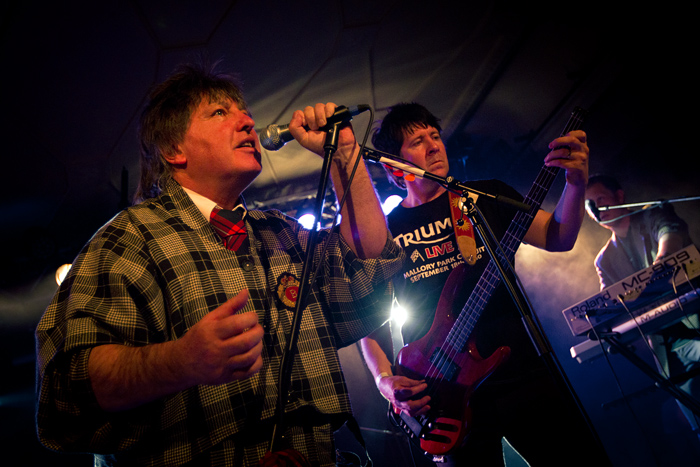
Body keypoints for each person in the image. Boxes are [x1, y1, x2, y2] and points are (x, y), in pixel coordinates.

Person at [35, 62, 404, 466]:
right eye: (220, 113)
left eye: (244, 111)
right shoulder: (128, 238)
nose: (247, 121)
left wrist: (344, 156)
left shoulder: (282, 231)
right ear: (174, 151)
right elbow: (67, 392)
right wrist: (179, 361)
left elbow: (366, 272)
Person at [359, 102, 611, 466]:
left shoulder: (484, 197)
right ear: (394, 169)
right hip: (444, 391)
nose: (433, 146)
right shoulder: (384, 233)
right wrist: (386, 382)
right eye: (417, 141)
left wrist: (576, 183)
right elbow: (369, 325)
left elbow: (558, 236)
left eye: (435, 135)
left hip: (521, 371)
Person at [585, 174, 700, 437]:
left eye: (600, 199)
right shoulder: (604, 260)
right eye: (589, 205)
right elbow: (610, 307)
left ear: (619, 197)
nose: (595, 209)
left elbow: (669, 245)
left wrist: (653, 272)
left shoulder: (654, 215)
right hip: (666, 346)